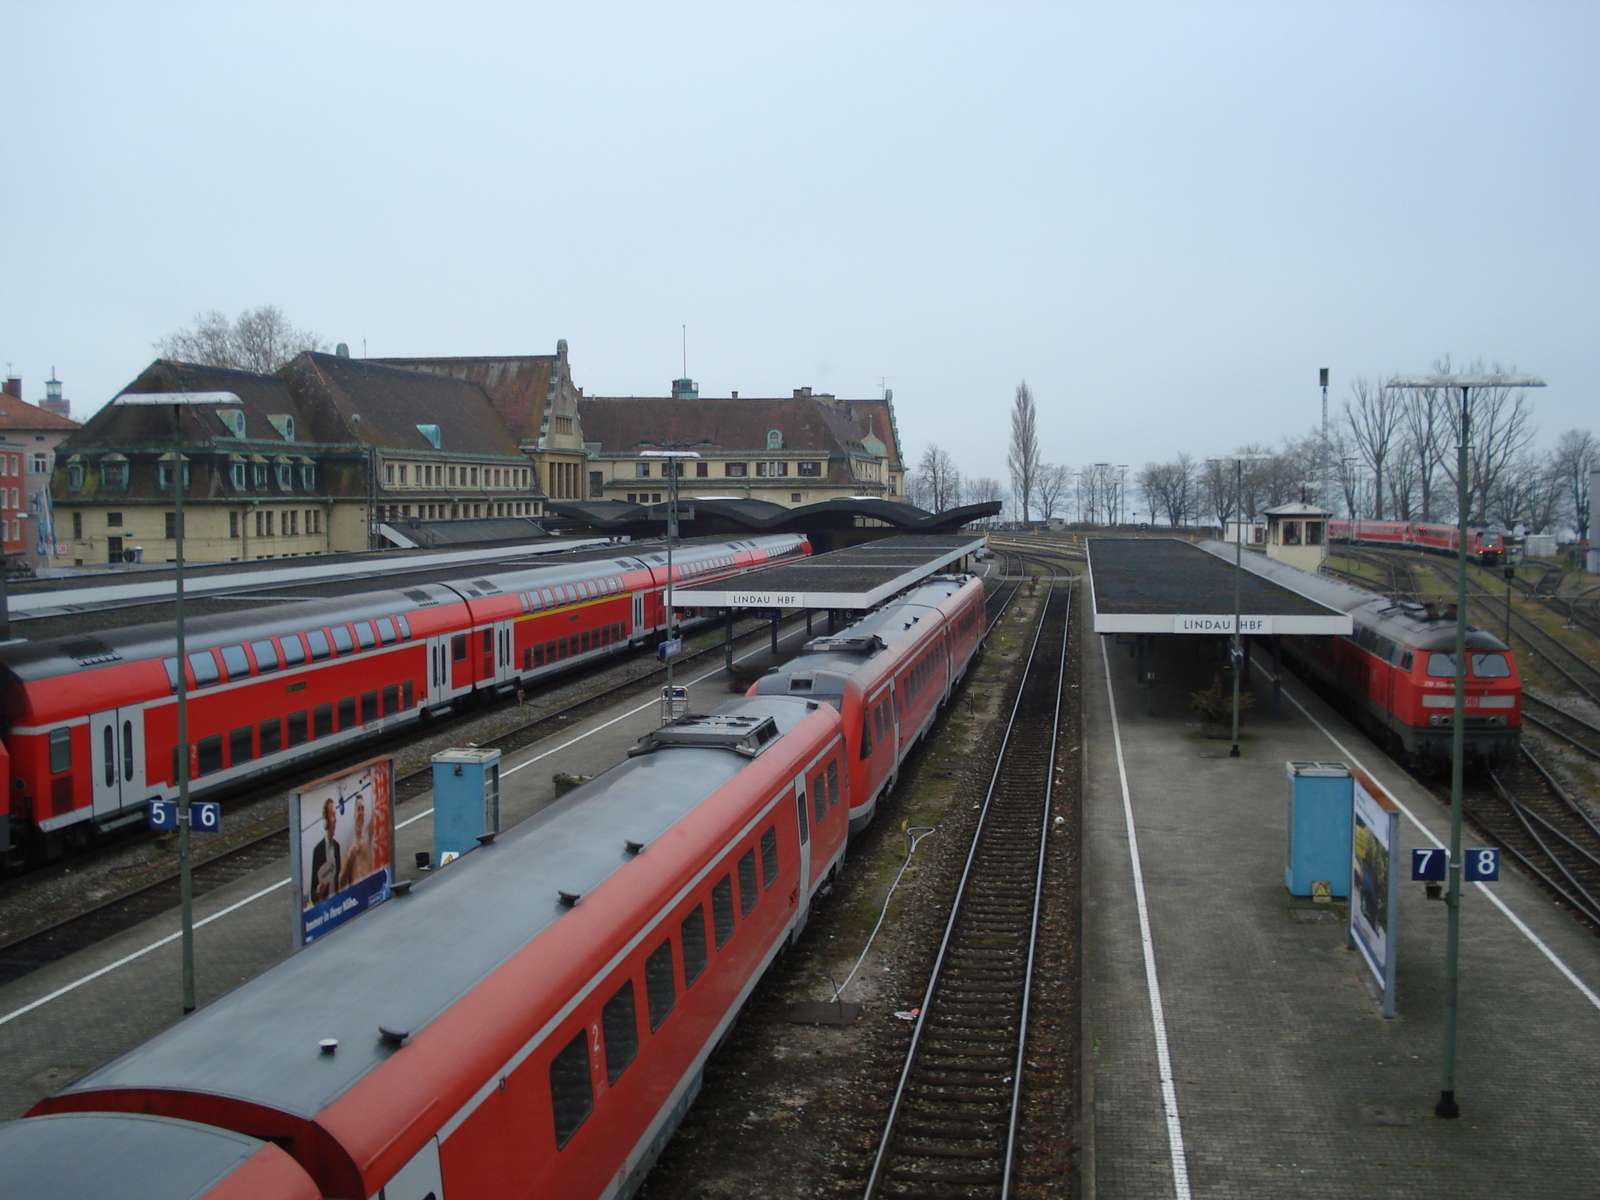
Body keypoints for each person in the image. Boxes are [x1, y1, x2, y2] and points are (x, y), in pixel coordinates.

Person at [337, 798, 375, 891]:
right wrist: (350, 860)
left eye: (362, 809)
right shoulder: (349, 849)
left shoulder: (367, 836)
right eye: (358, 809)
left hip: (370, 888)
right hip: (357, 893)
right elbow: (341, 881)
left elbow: (376, 812)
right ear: (354, 814)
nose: (361, 813)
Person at [309, 798, 342, 905]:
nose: (335, 820)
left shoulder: (337, 847)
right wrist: (319, 894)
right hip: (325, 907)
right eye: (332, 816)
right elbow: (313, 895)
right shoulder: (318, 851)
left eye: (335, 815)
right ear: (325, 821)